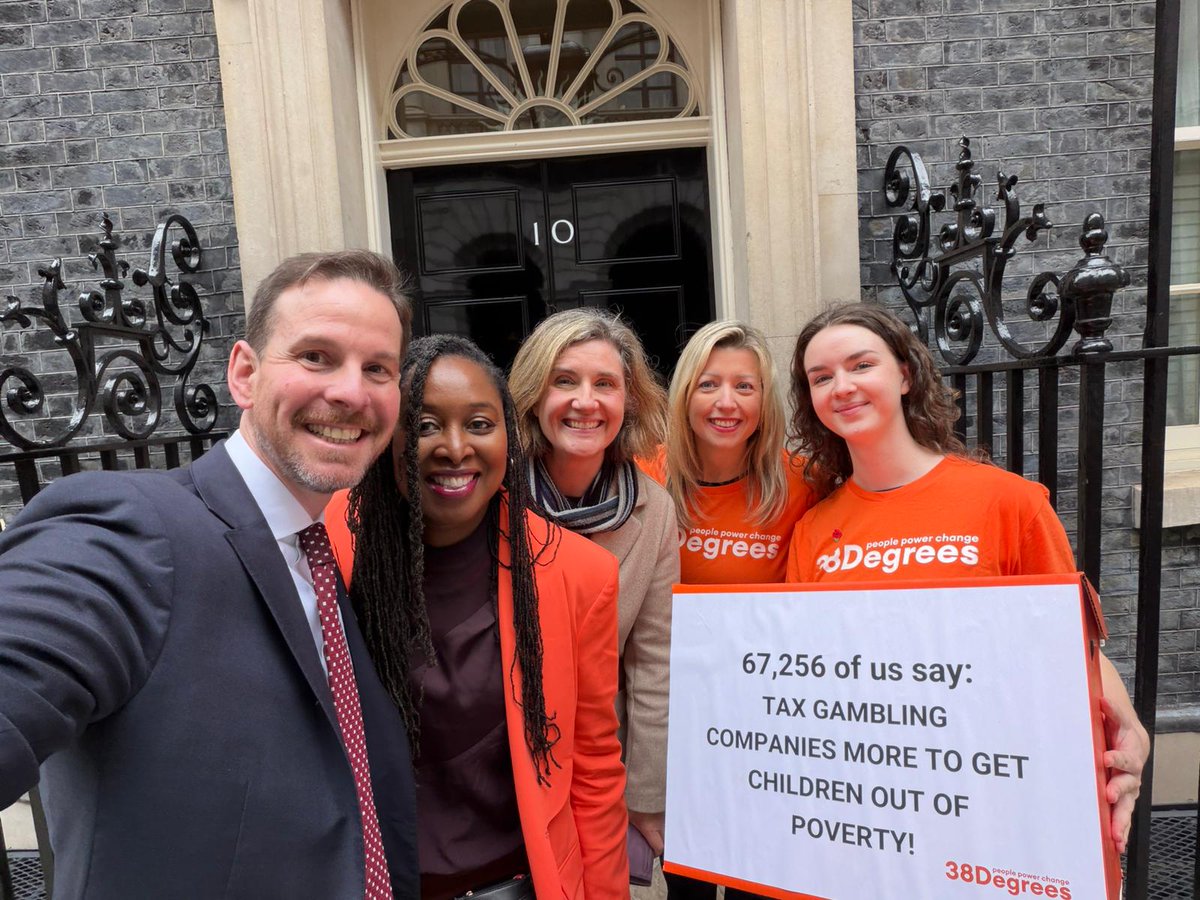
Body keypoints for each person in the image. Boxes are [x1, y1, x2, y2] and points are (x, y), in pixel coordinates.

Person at [0, 251, 419, 897]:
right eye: (315, 357)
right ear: (245, 374)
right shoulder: (131, 530)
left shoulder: (318, 549)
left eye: (378, 369)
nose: (350, 392)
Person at [786, 301, 1150, 854]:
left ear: (905, 374)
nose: (842, 386)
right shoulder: (814, 528)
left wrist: (1127, 726)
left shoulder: (1008, 502)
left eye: (862, 365)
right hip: (865, 807)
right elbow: (804, 676)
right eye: (821, 377)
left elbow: (1073, 644)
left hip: (984, 797)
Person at [325, 335, 629, 899]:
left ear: (509, 438)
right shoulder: (329, 548)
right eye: (424, 426)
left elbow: (593, 773)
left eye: (481, 424)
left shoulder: (579, 574)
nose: (455, 447)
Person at [641, 320, 815, 900]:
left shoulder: (803, 485)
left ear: (765, 404)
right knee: (686, 881)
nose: (727, 402)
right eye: (709, 384)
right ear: (685, 393)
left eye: (745, 387)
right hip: (674, 722)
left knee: (759, 881)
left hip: (766, 723)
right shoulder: (644, 478)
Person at [507, 309, 678, 870]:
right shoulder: (489, 494)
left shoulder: (654, 511)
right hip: (502, 763)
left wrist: (648, 798)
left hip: (597, 765)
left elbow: (654, 661)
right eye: (565, 381)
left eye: (605, 384)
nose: (586, 401)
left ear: (628, 400)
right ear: (534, 395)